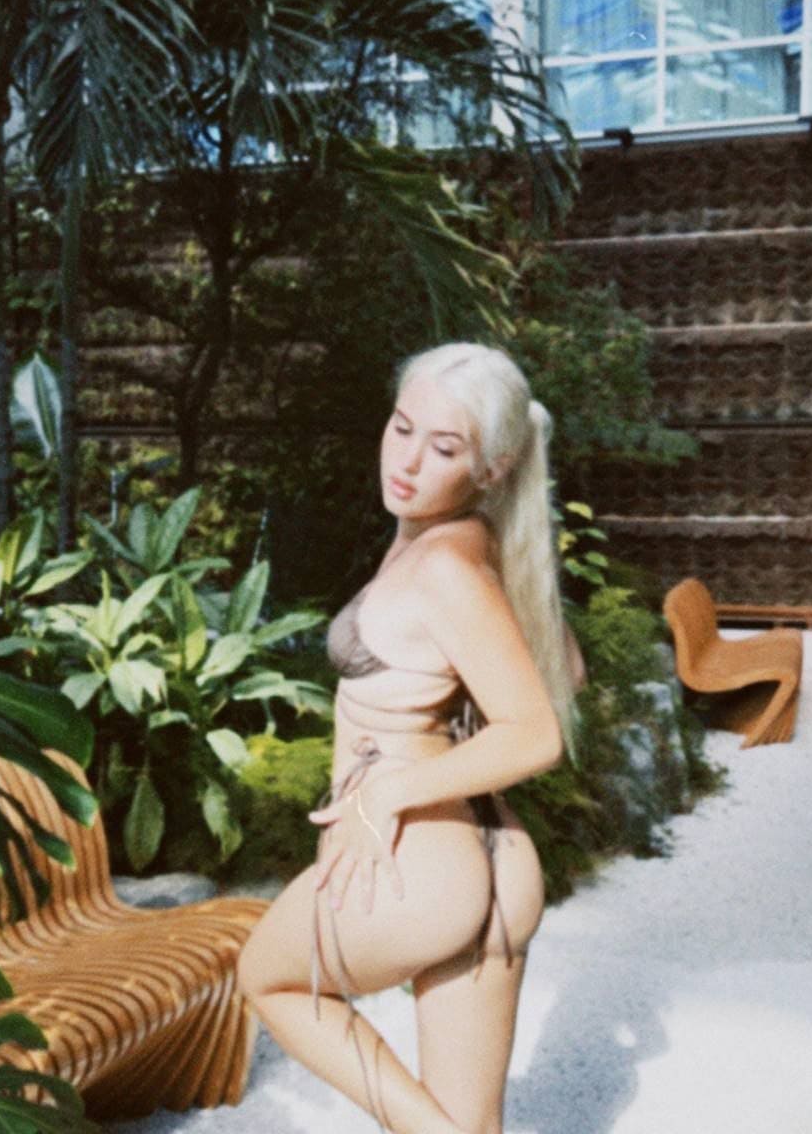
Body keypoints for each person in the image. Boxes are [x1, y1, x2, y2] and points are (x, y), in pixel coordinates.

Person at [237, 342, 585, 1134]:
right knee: (471, 1122)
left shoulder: (444, 570)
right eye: (402, 428)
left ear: (490, 469)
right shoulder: (474, 543)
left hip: (422, 866)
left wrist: (385, 794)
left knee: (270, 979)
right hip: (494, 861)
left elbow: (537, 734)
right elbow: (568, 667)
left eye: (444, 447)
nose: (408, 461)